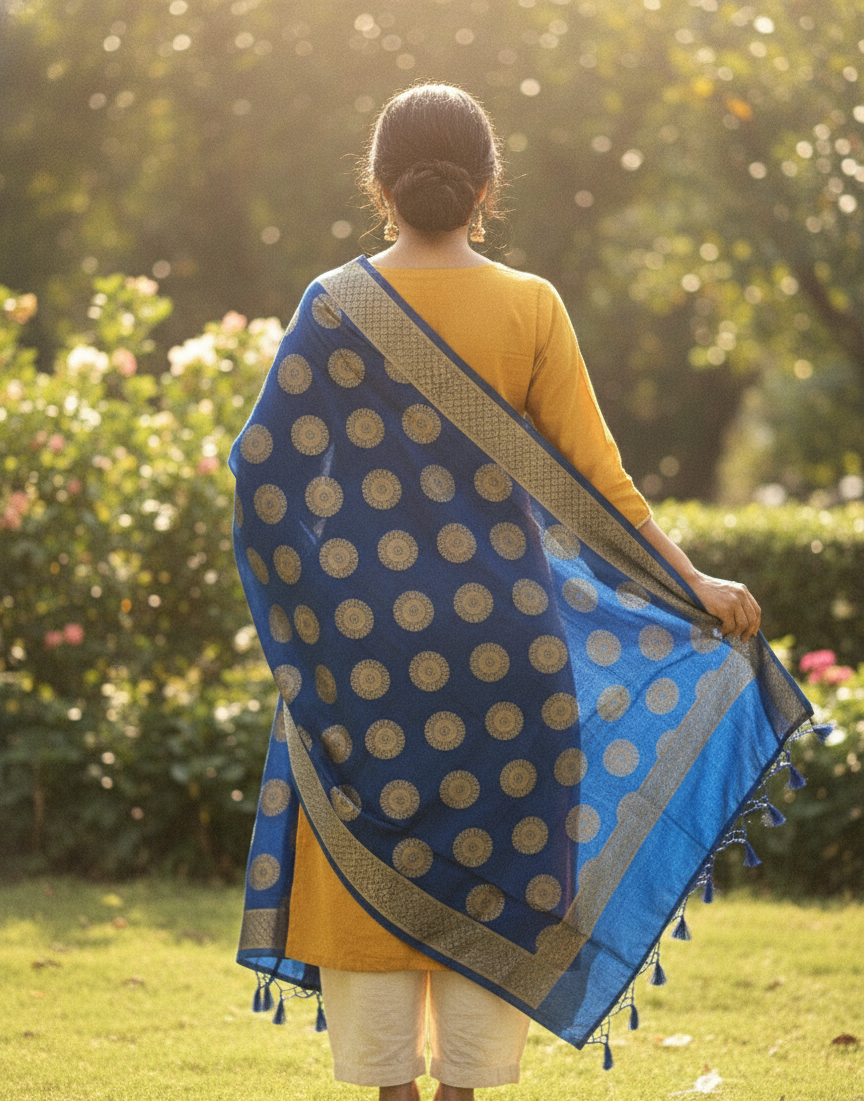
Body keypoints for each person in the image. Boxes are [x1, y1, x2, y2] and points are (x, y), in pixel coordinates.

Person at [229, 84, 811, 1101]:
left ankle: (394, 1091)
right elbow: (604, 490)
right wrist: (696, 584)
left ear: (378, 185)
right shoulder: (529, 305)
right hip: (514, 664)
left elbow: (263, 479)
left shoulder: (331, 307)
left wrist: (318, 627)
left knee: (371, 908)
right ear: (489, 187)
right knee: (500, 892)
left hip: (370, 670)